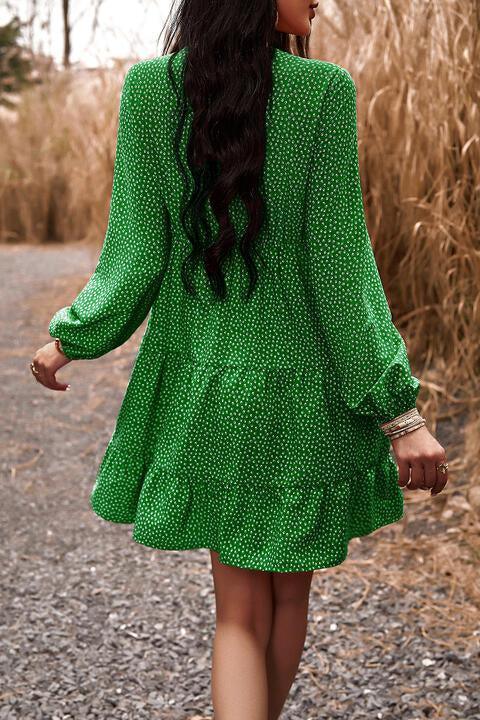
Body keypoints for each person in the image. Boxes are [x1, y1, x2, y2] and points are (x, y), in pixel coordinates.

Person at [30, 2, 449, 718]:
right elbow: (340, 269)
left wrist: (74, 336)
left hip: (204, 390)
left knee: (239, 612)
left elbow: (135, 253)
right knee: (289, 593)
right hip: (304, 395)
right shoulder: (321, 92)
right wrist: (398, 410)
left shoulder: (150, 91)